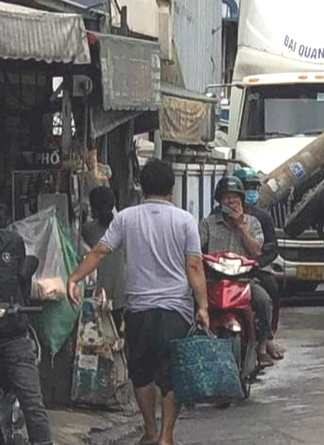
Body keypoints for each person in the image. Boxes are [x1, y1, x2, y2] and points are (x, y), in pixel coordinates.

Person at [67, 159, 208, 445]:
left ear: (142, 187)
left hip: (138, 310)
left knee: (141, 372)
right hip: (176, 310)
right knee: (171, 374)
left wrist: (74, 278)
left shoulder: (126, 218)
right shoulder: (185, 220)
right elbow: (194, 266)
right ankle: (166, 436)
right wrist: (203, 306)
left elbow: (100, 251)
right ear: (171, 188)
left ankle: (151, 431)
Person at [200, 177, 276, 367]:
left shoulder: (253, 223)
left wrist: (241, 227)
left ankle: (262, 347)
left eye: (235, 197)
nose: (231, 202)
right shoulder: (208, 224)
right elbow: (197, 249)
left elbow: (257, 252)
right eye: (227, 197)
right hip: (214, 281)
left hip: (244, 280)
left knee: (264, 301)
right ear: (219, 201)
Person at [0, 225, 53, 445]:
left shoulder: (12, 242)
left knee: (33, 403)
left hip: (14, 336)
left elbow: (23, 287)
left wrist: (15, 309)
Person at [232, 169, 285, 361]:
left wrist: (257, 263)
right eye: (247, 187)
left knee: (270, 291)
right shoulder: (213, 220)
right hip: (225, 271)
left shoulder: (259, 219)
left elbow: (269, 249)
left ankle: (266, 338)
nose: (251, 191)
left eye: (254, 187)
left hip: (253, 270)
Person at [81, 186, 127, 329]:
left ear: (93, 209)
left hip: (98, 296)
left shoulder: (88, 230)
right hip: (122, 295)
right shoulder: (124, 227)